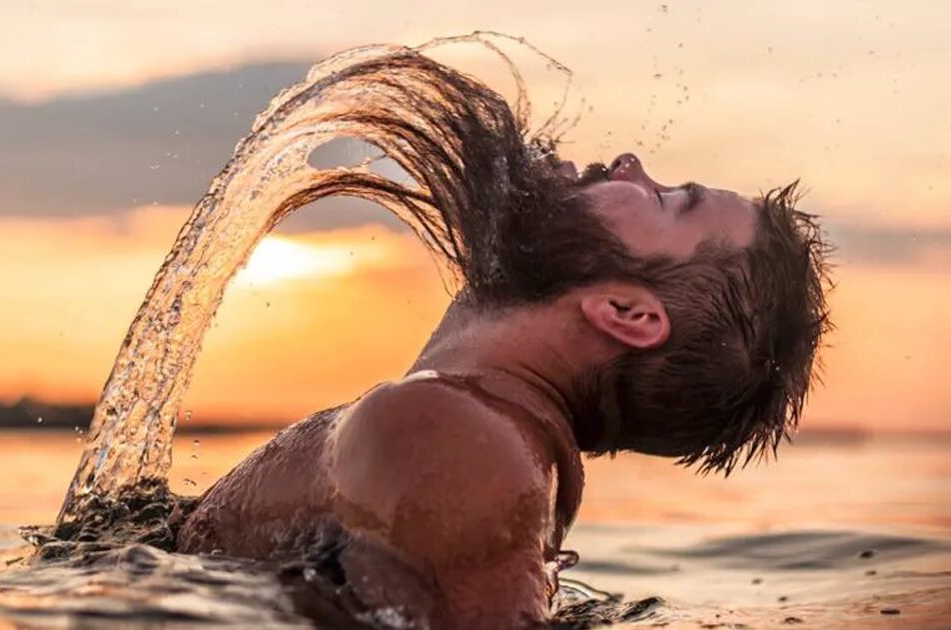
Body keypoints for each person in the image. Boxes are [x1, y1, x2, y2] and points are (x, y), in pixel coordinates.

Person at [171, 50, 833, 629]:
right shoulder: (475, 439)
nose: (631, 164)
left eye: (665, 200)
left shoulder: (455, 439)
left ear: (626, 311)